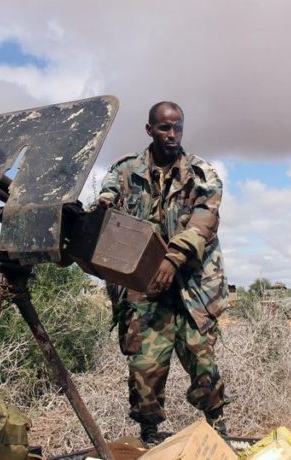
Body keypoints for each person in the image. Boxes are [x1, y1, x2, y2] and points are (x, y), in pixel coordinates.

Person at [98, 101, 230, 445]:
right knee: (144, 365)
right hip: (144, 285)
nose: (172, 135)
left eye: (177, 128)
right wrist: (103, 203)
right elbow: (108, 194)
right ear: (149, 130)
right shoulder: (126, 170)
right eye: (164, 128)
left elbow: (205, 224)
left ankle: (218, 428)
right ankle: (149, 433)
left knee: (202, 360)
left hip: (192, 286)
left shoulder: (202, 175)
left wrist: (172, 260)